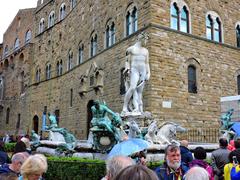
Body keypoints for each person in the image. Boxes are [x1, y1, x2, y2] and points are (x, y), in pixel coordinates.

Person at [122, 32, 150, 115]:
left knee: (139, 92)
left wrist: (149, 73)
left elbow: (147, 63)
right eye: (146, 40)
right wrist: (127, 68)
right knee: (132, 87)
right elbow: (127, 61)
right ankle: (125, 107)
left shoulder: (146, 51)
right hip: (134, 70)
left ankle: (138, 108)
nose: (146, 42)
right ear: (141, 39)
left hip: (143, 71)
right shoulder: (130, 49)